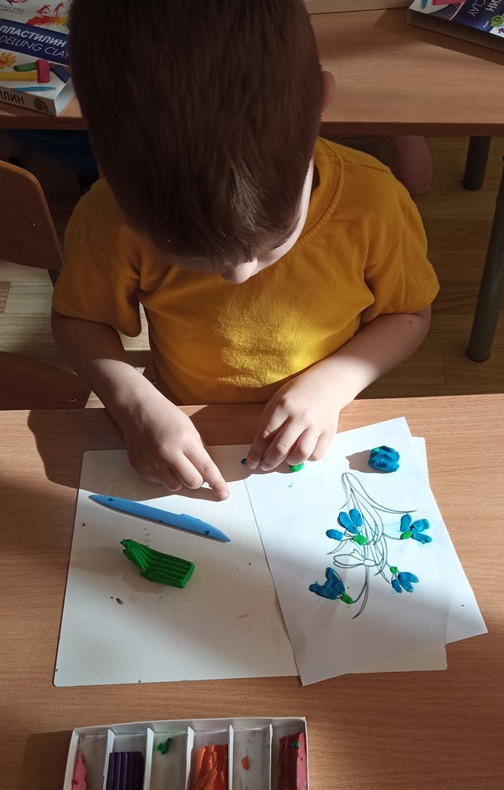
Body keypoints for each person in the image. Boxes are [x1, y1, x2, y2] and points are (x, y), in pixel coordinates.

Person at [51, 0, 439, 501]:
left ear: (320, 101)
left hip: (328, 416)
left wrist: (333, 384)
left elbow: (409, 313)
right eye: (190, 256)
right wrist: (133, 403)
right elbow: (78, 321)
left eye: (273, 242)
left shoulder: (372, 200)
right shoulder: (109, 213)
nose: (239, 275)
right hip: (178, 416)